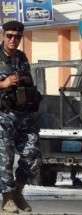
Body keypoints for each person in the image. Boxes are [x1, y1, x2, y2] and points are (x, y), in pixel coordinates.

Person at [0, 20, 42, 213]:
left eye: (17, 36)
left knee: (32, 155)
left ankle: (18, 191)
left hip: (24, 114)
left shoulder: (22, 57)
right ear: (3, 35)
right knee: (5, 158)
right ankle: (7, 198)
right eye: (9, 36)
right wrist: (4, 83)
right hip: (3, 115)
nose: (13, 40)